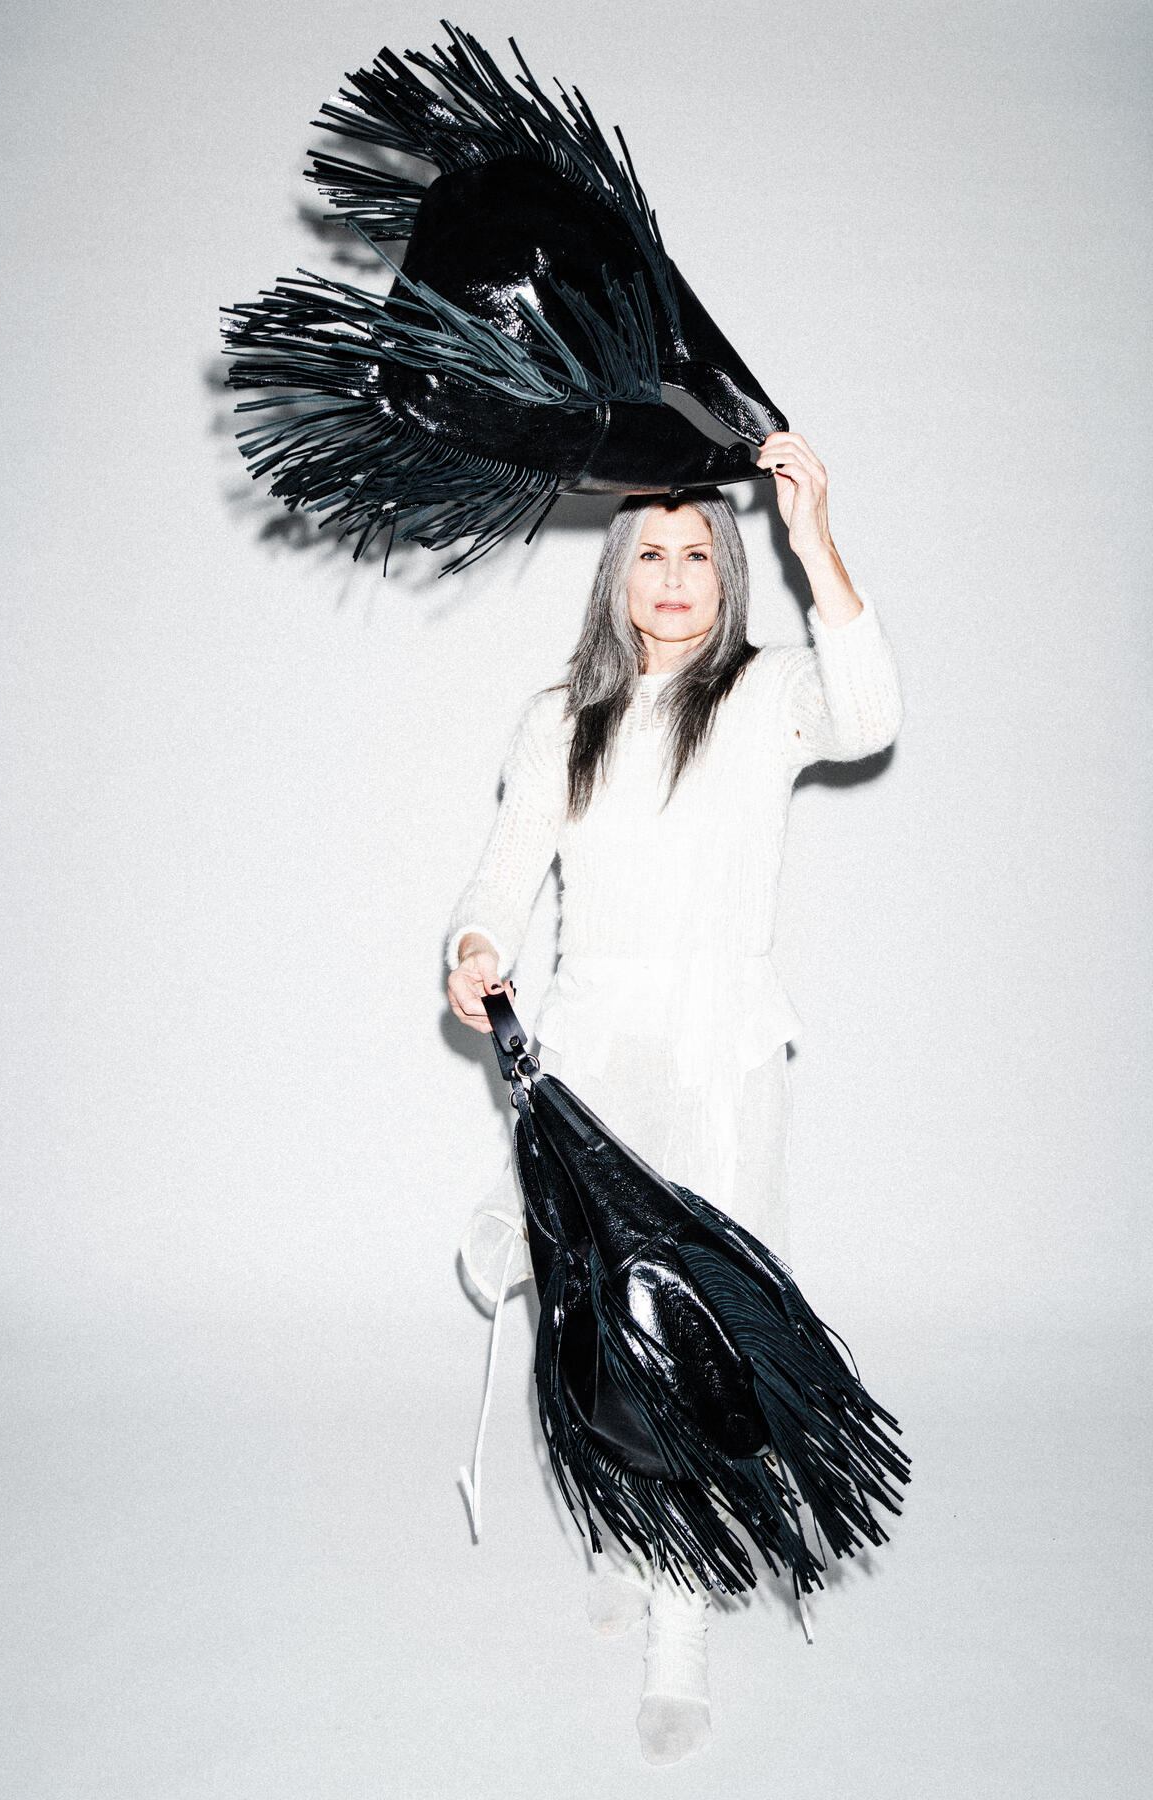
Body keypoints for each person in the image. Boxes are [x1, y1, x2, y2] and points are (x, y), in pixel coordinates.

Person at [444, 431, 904, 1766]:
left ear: (728, 573)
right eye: (650, 552)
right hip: (596, 1049)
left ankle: (681, 1622)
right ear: (617, 575)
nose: (673, 575)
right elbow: (503, 872)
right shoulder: (561, 720)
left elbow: (871, 714)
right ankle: (628, 1520)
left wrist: (817, 541)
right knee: (595, 1321)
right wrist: (475, 947)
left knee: (693, 1338)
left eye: (699, 552)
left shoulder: (765, 698)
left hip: (719, 1056)